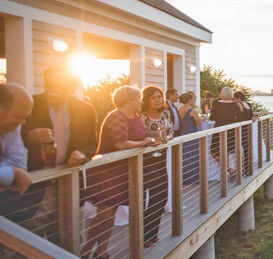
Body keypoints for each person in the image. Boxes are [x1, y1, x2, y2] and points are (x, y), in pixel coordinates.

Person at [19, 64, 97, 239]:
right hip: (34, 183)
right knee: (29, 238)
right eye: (50, 85)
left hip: (68, 182)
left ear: (71, 88)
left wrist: (82, 155)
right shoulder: (31, 104)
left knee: (69, 237)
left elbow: (91, 144)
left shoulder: (86, 110)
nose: (52, 90)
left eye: (59, 86)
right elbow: (10, 135)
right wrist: (29, 137)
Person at [81, 86, 158, 258]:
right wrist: (144, 142)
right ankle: (85, 251)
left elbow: (140, 138)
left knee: (111, 213)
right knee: (105, 213)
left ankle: (102, 251)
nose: (141, 101)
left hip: (125, 170)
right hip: (108, 171)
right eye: (138, 98)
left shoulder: (136, 117)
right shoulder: (116, 116)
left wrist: (150, 141)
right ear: (129, 100)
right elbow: (120, 143)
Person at [140, 86, 173, 247]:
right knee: (142, 197)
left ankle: (150, 232)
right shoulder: (141, 116)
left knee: (161, 196)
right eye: (154, 97)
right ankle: (144, 235)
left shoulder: (166, 114)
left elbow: (172, 131)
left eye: (159, 97)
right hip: (144, 160)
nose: (158, 100)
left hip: (161, 158)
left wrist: (168, 137)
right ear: (146, 99)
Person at [0, 83, 34, 221]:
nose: (23, 122)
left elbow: (19, 162)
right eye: (19, 116)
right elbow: (16, 169)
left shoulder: (12, 126)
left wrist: (13, 172)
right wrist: (12, 173)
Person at [210, 87, 241, 176]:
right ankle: (231, 170)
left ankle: (229, 169)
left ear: (222, 94)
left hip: (219, 130)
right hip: (231, 131)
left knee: (214, 151)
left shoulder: (217, 105)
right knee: (226, 150)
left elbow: (212, 117)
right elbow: (239, 118)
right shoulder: (235, 105)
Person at [178, 92, 202, 184]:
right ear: (190, 100)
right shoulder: (193, 111)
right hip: (192, 134)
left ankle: (185, 179)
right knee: (193, 155)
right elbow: (198, 123)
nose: (194, 101)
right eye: (193, 99)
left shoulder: (180, 110)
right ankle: (193, 179)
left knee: (185, 156)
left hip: (183, 133)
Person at [234, 91, 254, 175]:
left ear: (238, 98)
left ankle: (241, 169)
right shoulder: (248, 104)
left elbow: (238, 118)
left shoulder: (238, 105)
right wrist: (254, 118)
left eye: (234, 98)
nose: (233, 100)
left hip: (240, 129)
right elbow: (252, 115)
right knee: (246, 149)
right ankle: (247, 168)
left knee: (239, 149)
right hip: (247, 129)